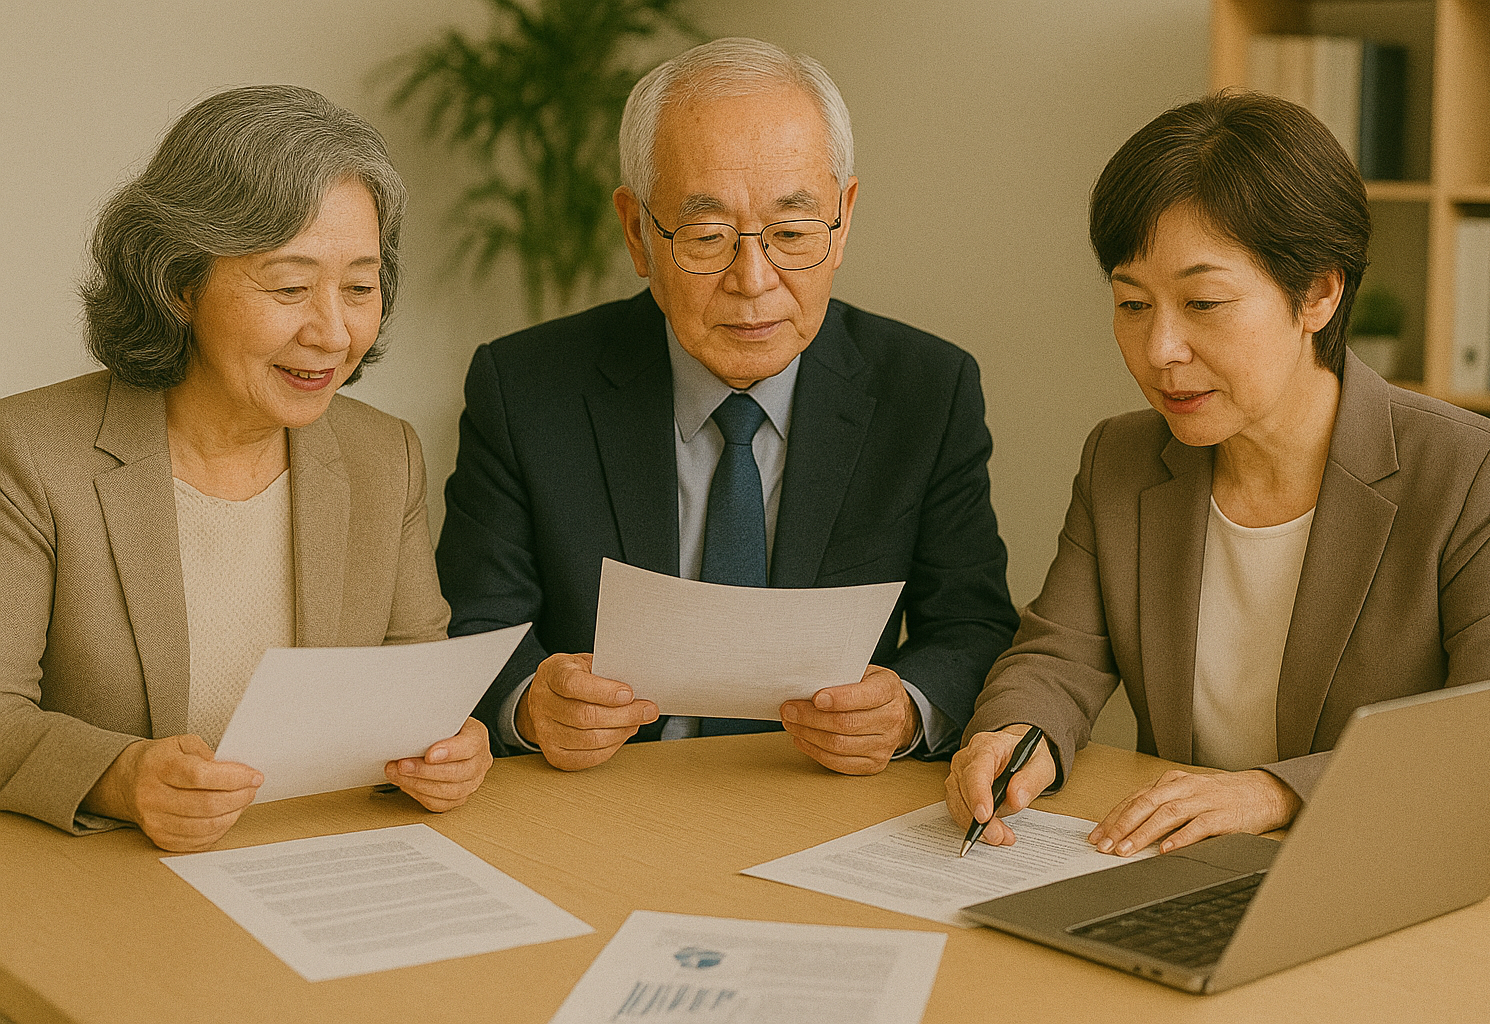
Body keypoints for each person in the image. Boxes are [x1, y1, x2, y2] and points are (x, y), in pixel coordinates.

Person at [946, 91, 1490, 858]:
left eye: (1203, 302)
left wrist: (1276, 791)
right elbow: (1058, 656)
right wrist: (1013, 735)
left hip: (1380, 872)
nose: (1160, 348)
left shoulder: (1483, 478)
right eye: (1132, 303)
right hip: (1180, 872)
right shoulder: (1120, 460)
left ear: (1318, 293)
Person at [435, 37, 1018, 774]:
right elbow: (476, 621)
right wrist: (529, 702)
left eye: (792, 232)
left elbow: (970, 625)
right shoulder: (525, 387)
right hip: (598, 799)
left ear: (844, 220)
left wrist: (905, 707)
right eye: (708, 236)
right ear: (637, 232)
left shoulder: (926, 391)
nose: (753, 278)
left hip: (824, 800)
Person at [0, 85, 492, 852]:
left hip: (322, 863)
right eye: (290, 287)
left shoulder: (383, 455)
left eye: (360, 289)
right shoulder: (30, 453)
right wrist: (120, 776)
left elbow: (416, 679)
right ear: (179, 285)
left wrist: (449, 748)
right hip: (105, 881)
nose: (333, 332)